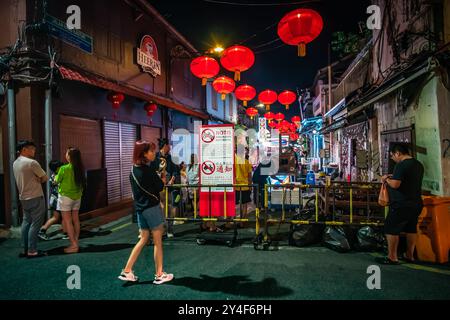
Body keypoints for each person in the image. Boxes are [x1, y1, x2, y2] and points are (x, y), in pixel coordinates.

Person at [119, 140, 173, 284]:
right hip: (152, 208)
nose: (153, 153)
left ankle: (127, 270)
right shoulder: (148, 170)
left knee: (143, 239)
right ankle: (159, 274)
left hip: (140, 209)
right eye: (151, 151)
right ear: (143, 153)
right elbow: (160, 187)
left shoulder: (133, 170)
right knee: (157, 242)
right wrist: (162, 176)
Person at [378, 143, 424, 264]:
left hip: (401, 204)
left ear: (398, 153)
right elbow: (408, 180)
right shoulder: (418, 164)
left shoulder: (401, 165)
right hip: (416, 203)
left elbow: (395, 184)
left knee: (391, 228)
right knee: (411, 228)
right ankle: (410, 255)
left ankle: (392, 257)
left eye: (392, 155)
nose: (392, 158)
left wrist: (385, 179)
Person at [13, 140, 48, 258]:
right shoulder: (32, 163)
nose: (34, 151)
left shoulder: (15, 163)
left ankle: (24, 249)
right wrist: (40, 179)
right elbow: (45, 177)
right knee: (36, 224)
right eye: (31, 149)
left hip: (23, 197)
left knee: (26, 222)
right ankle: (32, 251)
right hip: (35, 196)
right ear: (24, 149)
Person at [56, 147, 86, 254]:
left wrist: (54, 178)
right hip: (77, 197)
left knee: (68, 221)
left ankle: (73, 245)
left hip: (65, 197)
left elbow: (56, 180)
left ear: (70, 156)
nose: (66, 155)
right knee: (76, 219)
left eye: (67, 153)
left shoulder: (64, 168)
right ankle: (75, 241)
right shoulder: (81, 168)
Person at [150, 138, 179, 238]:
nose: (170, 147)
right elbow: (151, 171)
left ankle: (170, 229)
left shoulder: (171, 158)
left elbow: (175, 171)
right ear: (165, 146)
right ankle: (161, 229)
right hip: (158, 188)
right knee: (160, 208)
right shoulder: (155, 157)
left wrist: (172, 180)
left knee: (170, 206)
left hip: (169, 187)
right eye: (169, 145)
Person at [38, 160, 67, 240]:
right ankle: (66, 233)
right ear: (58, 168)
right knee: (64, 217)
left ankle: (42, 230)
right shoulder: (59, 176)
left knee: (56, 217)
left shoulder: (53, 175)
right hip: (59, 199)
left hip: (54, 199)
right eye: (61, 166)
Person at [235, 148, 253, 227]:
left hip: (236, 186)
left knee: (237, 205)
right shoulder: (247, 162)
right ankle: (243, 221)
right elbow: (249, 176)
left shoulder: (234, 162)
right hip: (245, 186)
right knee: (244, 205)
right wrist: (250, 186)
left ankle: (235, 221)